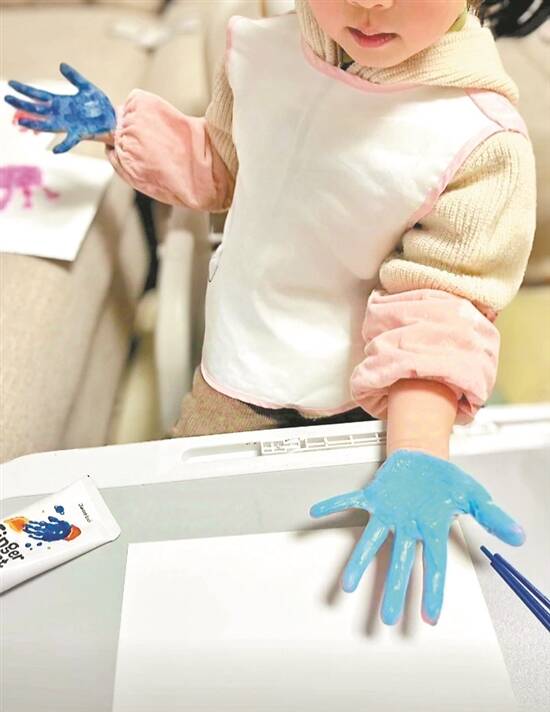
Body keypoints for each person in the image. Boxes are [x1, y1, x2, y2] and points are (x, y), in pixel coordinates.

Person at [4, 0, 539, 626]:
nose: (370, 3)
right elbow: (223, 167)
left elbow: (440, 305)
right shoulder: (261, 52)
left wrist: (419, 451)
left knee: (333, 588)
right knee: (182, 554)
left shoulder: (480, 139)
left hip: (374, 393)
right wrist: (119, 128)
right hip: (239, 361)